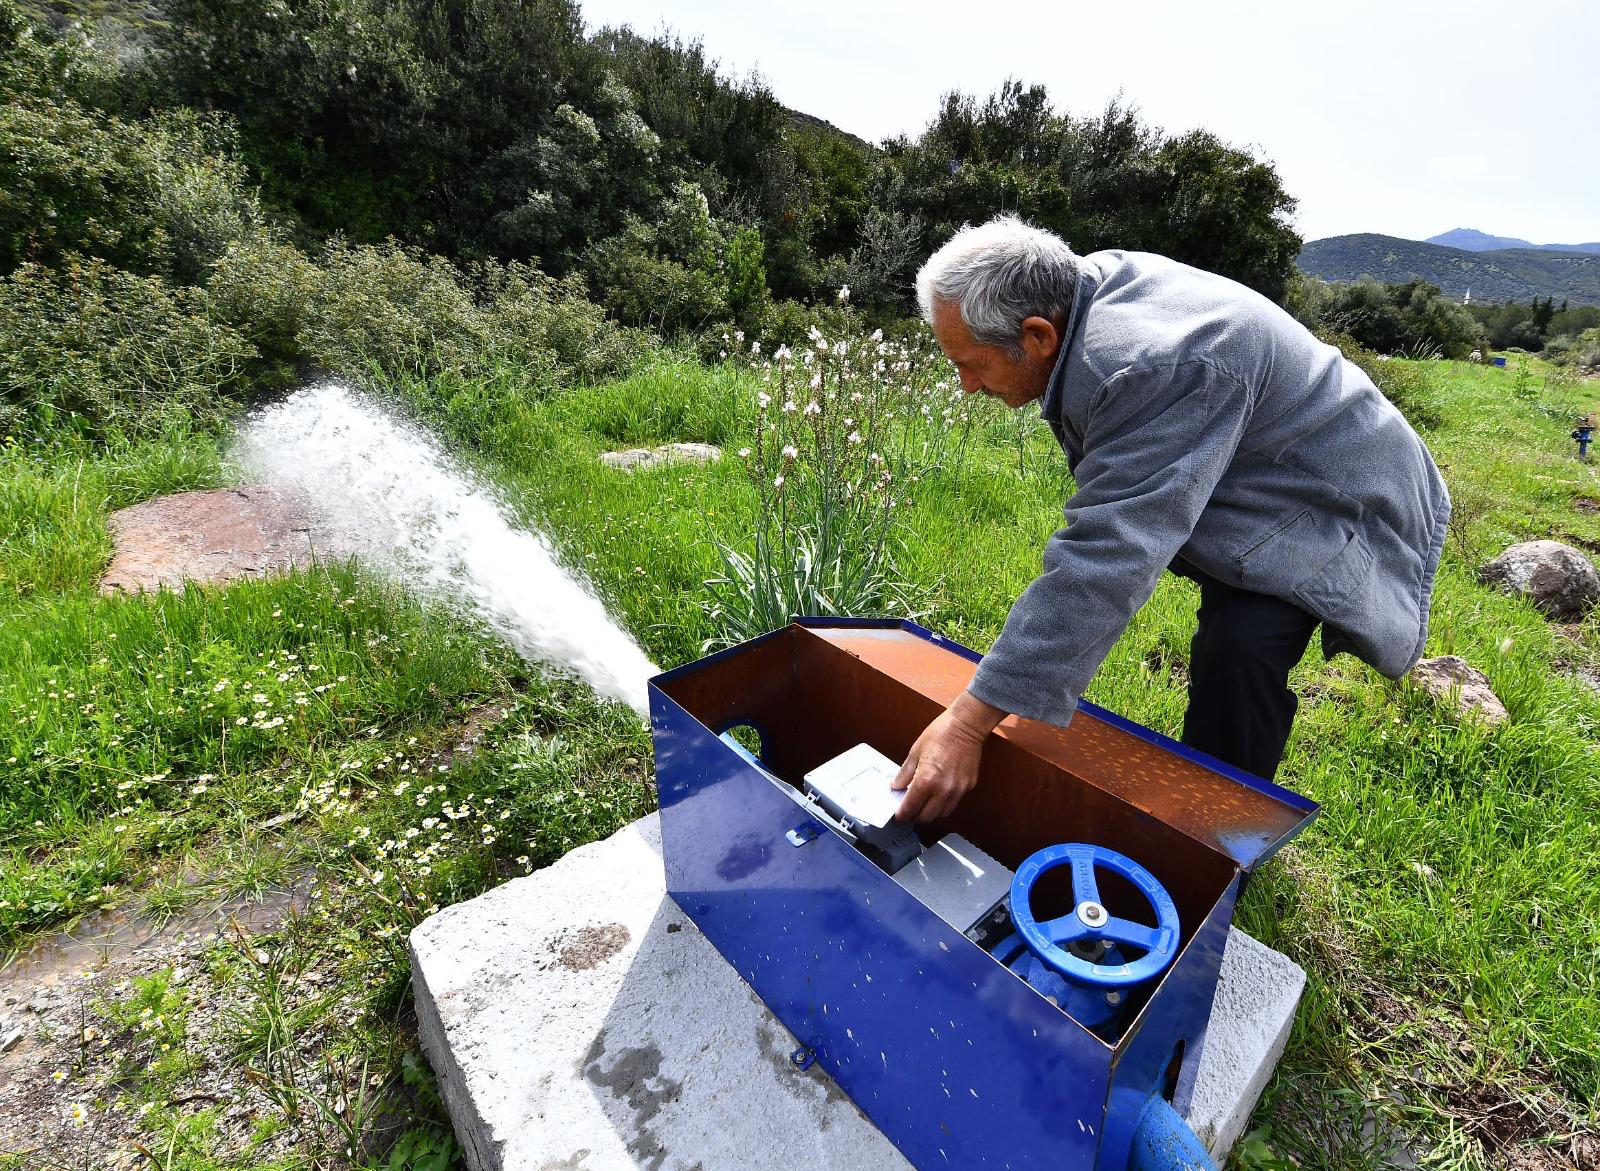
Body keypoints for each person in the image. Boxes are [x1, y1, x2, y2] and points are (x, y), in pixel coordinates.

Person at [892, 216, 1450, 823]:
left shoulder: (1144, 364)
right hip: (1259, 460)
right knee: (1233, 628)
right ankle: (1211, 812)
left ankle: (1218, 832)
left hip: (1333, 490)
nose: (967, 386)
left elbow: (1110, 554)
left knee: (1241, 650)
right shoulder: (1077, 292)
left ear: (1037, 335)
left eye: (972, 363)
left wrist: (970, 721)